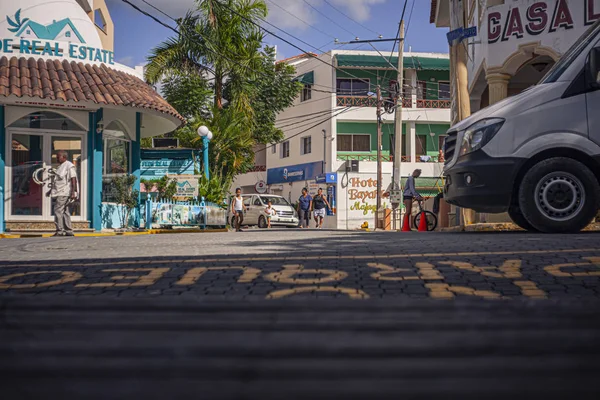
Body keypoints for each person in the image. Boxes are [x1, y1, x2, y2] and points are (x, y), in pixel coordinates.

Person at [51, 150, 78, 237]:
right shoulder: (60, 167)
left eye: (58, 157)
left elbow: (73, 179)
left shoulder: (69, 166)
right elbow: (57, 181)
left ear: (64, 157)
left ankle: (60, 230)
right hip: (60, 191)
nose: (57, 158)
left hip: (64, 192)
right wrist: (50, 190)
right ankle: (68, 230)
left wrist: (73, 192)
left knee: (58, 210)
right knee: (65, 211)